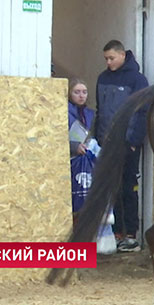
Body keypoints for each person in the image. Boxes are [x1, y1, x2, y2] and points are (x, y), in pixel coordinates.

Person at [95, 40, 149, 253]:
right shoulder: (102, 78)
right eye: (106, 59)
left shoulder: (137, 80)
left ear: (122, 55)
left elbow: (142, 112)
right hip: (107, 144)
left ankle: (131, 234)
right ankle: (116, 233)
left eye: (111, 58)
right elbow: (101, 110)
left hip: (127, 143)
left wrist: (135, 140)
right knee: (112, 188)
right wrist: (99, 138)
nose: (109, 62)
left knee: (129, 188)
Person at [68, 78, 96, 217]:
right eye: (77, 92)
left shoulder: (91, 114)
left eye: (84, 92)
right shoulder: (64, 113)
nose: (81, 95)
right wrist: (73, 147)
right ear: (69, 94)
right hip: (71, 161)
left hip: (88, 159)